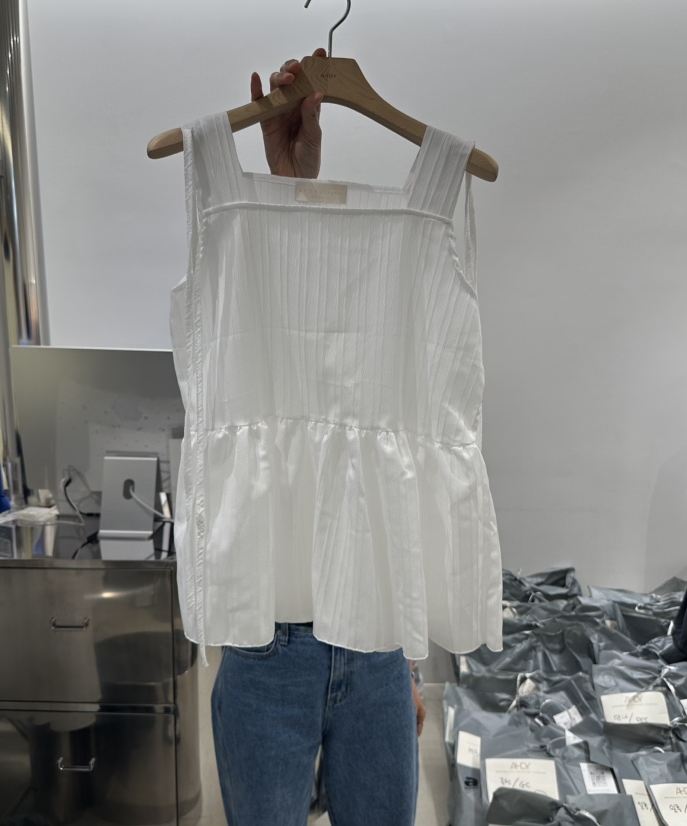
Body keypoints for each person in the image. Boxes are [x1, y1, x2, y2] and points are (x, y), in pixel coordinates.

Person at [209, 51, 427, 826]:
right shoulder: (234, 249)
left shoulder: (405, 274)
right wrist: (289, 184)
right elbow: (278, 344)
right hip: (267, 643)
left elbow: (393, 470)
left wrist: (408, 660)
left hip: (376, 638)